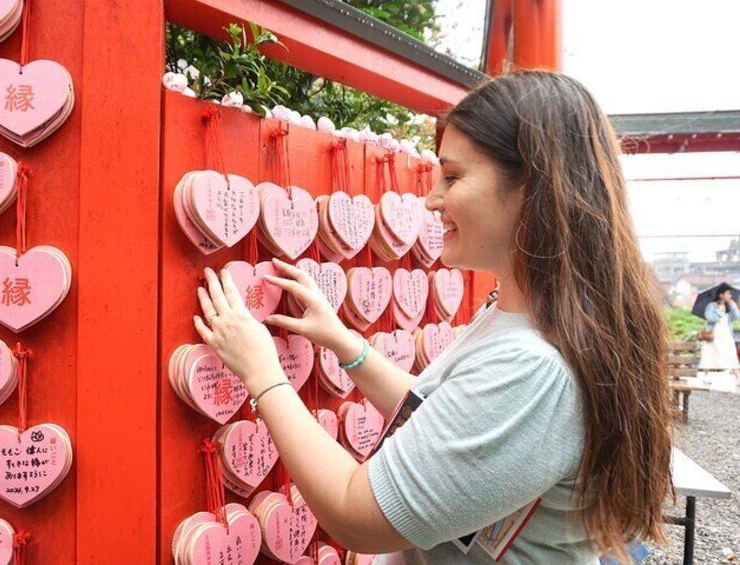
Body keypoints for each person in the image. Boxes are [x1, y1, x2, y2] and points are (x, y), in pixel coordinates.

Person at [193, 71, 673, 564]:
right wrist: (344, 344)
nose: (431, 198)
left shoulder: (536, 369)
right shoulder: (531, 318)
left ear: (533, 185)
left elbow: (356, 514)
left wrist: (263, 375)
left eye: (454, 176)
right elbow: (445, 422)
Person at [700, 285, 740, 379]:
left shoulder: (729, 306)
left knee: (731, 354)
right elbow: (709, 317)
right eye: (728, 293)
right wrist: (720, 312)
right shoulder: (712, 306)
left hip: (726, 334)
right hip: (714, 333)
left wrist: (733, 306)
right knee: (710, 354)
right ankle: (706, 376)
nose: (730, 296)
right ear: (721, 295)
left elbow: (737, 317)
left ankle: (738, 376)